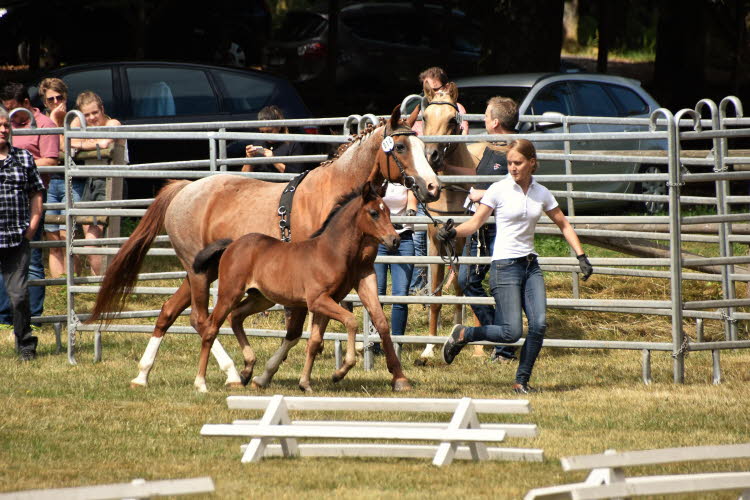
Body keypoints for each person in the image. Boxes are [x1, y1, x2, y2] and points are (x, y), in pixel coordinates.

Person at [437, 139, 593, 394]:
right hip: (505, 266)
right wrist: (452, 232)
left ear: (532, 163)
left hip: (530, 265)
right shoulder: (498, 190)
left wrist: (581, 256)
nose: (512, 167)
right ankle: (465, 334)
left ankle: (521, 381)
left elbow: (563, 224)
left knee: (539, 325)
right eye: (509, 162)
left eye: (518, 163)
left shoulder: (541, 192)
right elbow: (475, 223)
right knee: (510, 333)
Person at [457, 97, 520, 363]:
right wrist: (441, 169)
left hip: (502, 226)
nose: (482, 119)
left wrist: (482, 193)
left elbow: (519, 186)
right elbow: (473, 173)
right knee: (466, 280)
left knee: (500, 285)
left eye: (485, 115)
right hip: (478, 223)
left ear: (495, 122)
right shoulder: (489, 146)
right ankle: (501, 335)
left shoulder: (518, 150)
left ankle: (504, 348)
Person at [0, 81, 59, 329]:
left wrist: (23, 163)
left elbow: (52, 160)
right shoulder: (8, 125)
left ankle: (31, 316)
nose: (9, 119)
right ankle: (5, 316)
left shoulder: (44, 125)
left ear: (26, 104)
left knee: (31, 262)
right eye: (5, 111)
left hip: (29, 201)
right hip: (6, 208)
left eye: (13, 110)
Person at [409, 67, 469, 295]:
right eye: (427, 88)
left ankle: (454, 281)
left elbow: (461, 140)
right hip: (425, 177)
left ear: (445, 86)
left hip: (447, 175)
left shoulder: (455, 108)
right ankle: (421, 286)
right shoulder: (424, 111)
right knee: (420, 240)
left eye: (434, 87)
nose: (431, 92)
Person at [0, 108, 45, 360]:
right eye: (0, 125)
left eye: (7, 125)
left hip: (16, 238)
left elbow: (36, 192)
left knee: (18, 297)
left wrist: (33, 224)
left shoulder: (23, 158)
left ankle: (25, 346)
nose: (4, 129)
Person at [69, 90, 123, 275]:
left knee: (92, 242)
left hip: (109, 181)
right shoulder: (83, 126)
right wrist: (78, 120)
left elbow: (105, 142)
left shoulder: (112, 123)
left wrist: (80, 144)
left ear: (102, 109)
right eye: (86, 114)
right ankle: (99, 283)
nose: (92, 118)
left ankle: (104, 284)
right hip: (91, 180)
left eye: (95, 112)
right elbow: (64, 143)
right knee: (89, 238)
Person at [373, 183, 418, 352]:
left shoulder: (407, 178)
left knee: (400, 295)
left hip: (403, 238)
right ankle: (375, 342)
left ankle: (396, 343)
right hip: (379, 239)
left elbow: (412, 204)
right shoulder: (377, 179)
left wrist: (409, 214)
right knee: (377, 293)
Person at [228, 105, 308, 175]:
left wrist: (274, 160)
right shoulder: (258, 143)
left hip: (282, 188)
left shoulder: (292, 145)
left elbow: (296, 176)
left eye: (269, 131)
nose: (265, 135)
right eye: (262, 132)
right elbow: (244, 176)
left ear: (279, 127)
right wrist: (249, 158)